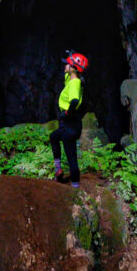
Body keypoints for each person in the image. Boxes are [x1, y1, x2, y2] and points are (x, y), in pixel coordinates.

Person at [51, 51, 88, 188]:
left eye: (67, 64)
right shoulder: (71, 78)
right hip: (68, 123)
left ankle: (75, 186)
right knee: (54, 137)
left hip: (71, 123)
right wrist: (71, 56)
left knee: (71, 156)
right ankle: (58, 170)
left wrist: (66, 113)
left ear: (73, 69)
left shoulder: (74, 83)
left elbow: (74, 101)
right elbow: (69, 74)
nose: (65, 66)